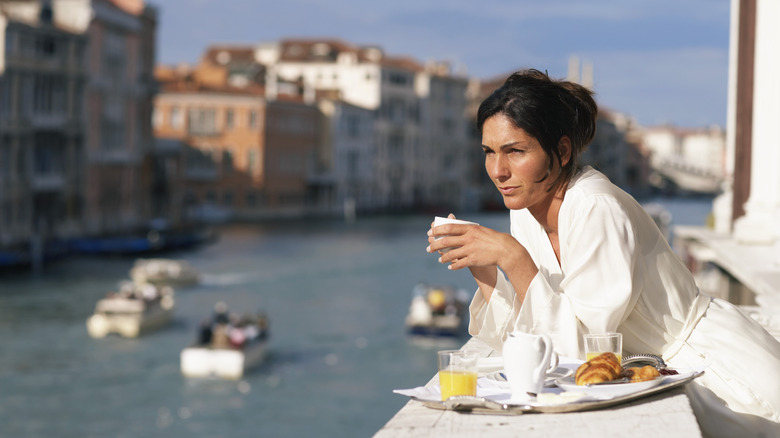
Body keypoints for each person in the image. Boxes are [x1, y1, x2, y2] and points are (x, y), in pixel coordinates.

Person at [426, 69, 780, 437]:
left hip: (724, 380)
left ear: (561, 151)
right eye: (489, 152)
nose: (498, 171)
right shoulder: (525, 213)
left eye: (515, 151)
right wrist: (486, 271)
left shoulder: (596, 206)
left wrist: (513, 257)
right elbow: (531, 340)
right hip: (661, 377)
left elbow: (586, 351)